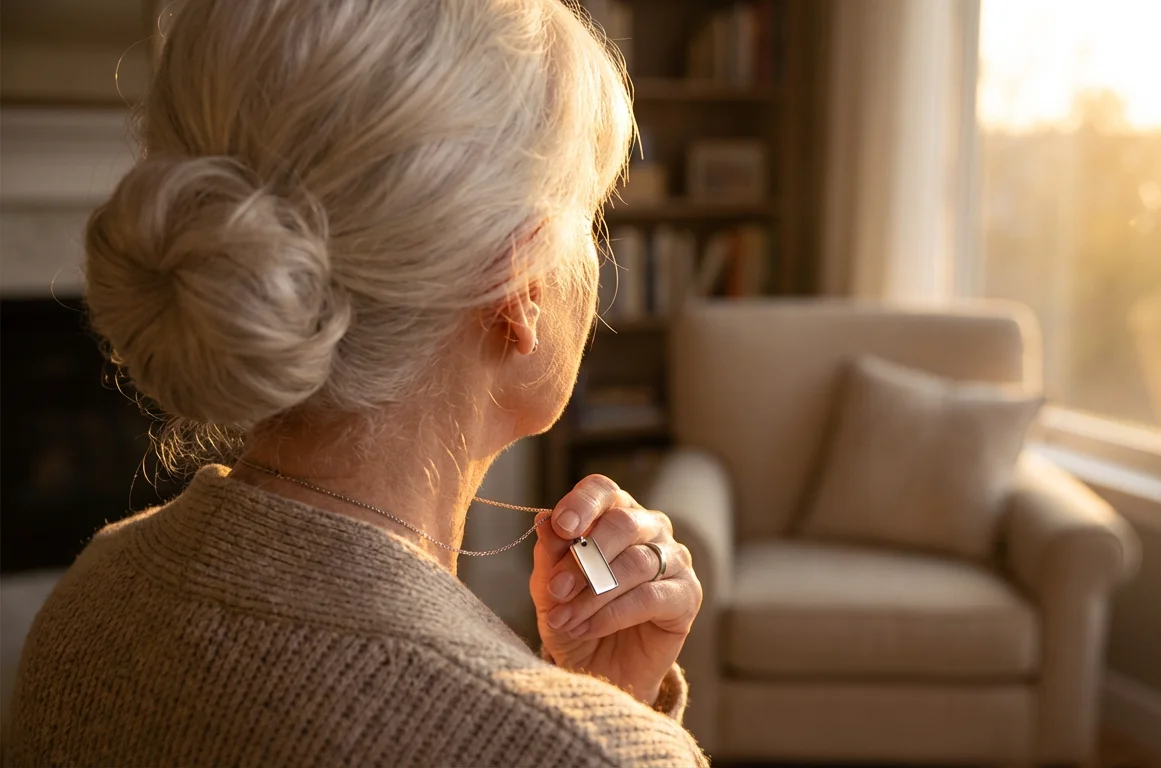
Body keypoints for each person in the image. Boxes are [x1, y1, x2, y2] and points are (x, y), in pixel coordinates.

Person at [7, 0, 706, 765]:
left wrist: (599, 703)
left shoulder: (91, 598)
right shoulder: (579, 752)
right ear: (522, 292)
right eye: (590, 214)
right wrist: (610, 736)